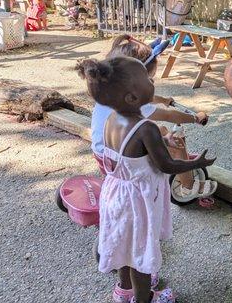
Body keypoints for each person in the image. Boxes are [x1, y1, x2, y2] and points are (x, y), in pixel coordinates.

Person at [77, 56, 216, 303]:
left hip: (116, 193)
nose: (152, 81)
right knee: (140, 254)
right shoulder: (145, 128)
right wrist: (197, 163)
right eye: (147, 79)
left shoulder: (111, 120)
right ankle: (145, 298)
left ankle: (124, 291)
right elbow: (167, 165)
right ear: (131, 97)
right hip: (137, 201)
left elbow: (131, 151)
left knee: (124, 246)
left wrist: (163, 142)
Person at [91, 35, 217, 199]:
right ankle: (188, 187)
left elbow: (145, 98)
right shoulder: (135, 104)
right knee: (176, 143)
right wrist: (195, 118)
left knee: (163, 130)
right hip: (125, 166)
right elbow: (168, 115)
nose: (152, 85)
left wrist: (163, 100)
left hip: (104, 155)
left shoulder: (110, 93)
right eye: (149, 80)